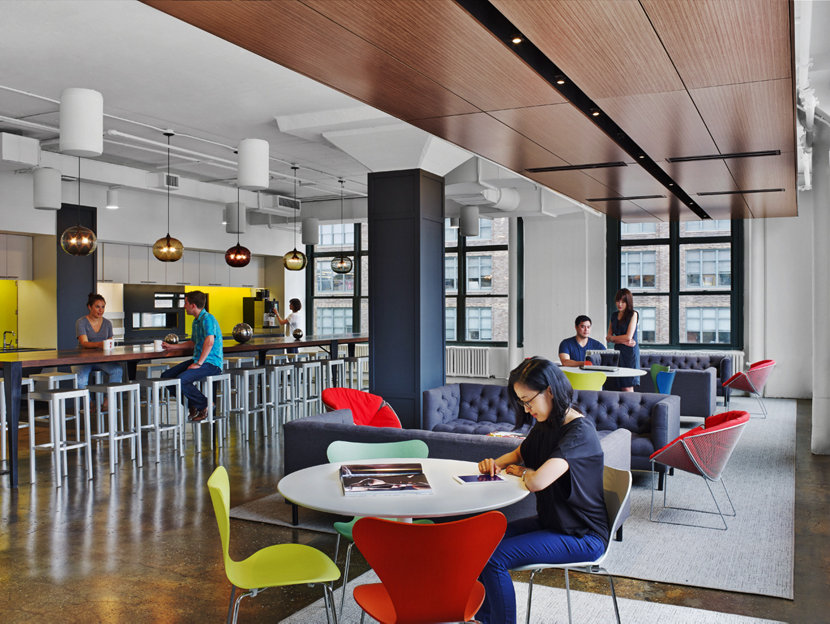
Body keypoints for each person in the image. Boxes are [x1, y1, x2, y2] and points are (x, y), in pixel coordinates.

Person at [475, 357, 609, 624]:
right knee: (480, 543)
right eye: (521, 402)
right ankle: (482, 619)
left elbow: (537, 481)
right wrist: (495, 464)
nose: (526, 409)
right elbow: (518, 453)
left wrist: (523, 472)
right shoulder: (546, 424)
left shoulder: (579, 432)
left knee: (493, 558)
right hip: (553, 521)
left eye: (528, 400)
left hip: (582, 533)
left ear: (549, 390)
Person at [161, 290, 223, 422]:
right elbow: (193, 343)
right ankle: (192, 405)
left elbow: (210, 340)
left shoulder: (208, 319)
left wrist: (199, 363)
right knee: (166, 377)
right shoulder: (196, 321)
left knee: (182, 379)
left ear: (193, 305)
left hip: (211, 364)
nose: (184, 306)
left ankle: (206, 404)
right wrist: (173, 347)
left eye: (185, 303)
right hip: (199, 360)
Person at [71, 293, 123, 389]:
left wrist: (108, 346)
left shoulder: (107, 323)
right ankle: (89, 404)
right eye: (97, 307)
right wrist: (101, 344)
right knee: (81, 380)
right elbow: (84, 343)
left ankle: (107, 403)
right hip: (83, 360)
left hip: (101, 360)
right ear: (89, 307)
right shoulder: (81, 322)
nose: (101, 310)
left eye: (103, 307)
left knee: (117, 370)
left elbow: (110, 343)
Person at [606, 288, 640, 391]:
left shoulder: (633, 314)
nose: (620, 304)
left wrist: (614, 338)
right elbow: (608, 338)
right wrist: (621, 339)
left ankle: (633, 407)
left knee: (628, 386)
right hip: (619, 352)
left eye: (623, 301)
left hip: (630, 353)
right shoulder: (614, 315)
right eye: (618, 301)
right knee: (621, 386)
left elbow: (628, 337)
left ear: (628, 302)